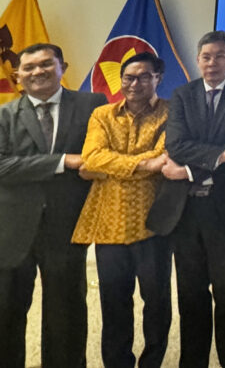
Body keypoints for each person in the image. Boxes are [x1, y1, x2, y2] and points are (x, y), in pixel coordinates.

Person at [0, 43, 105, 367]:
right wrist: (61, 161)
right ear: (17, 76)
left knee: (67, 320)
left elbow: (104, 155)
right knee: (2, 322)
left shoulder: (93, 106)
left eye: (46, 64)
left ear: (63, 67)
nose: (37, 72)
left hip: (66, 229)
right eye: (28, 68)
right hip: (6, 234)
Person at [145, 30, 225, 368]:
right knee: (191, 294)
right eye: (206, 56)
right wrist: (222, 154)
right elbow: (177, 145)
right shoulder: (182, 94)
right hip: (186, 210)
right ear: (198, 60)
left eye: (220, 56)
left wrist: (193, 167)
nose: (212, 63)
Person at [71, 52, 172, 368]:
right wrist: (144, 164)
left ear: (158, 77)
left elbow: (165, 158)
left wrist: (112, 166)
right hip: (110, 223)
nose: (134, 83)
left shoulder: (172, 113)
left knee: (156, 303)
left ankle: (152, 362)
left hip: (154, 220)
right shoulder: (102, 115)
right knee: (113, 302)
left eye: (143, 76)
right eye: (128, 77)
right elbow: (92, 158)